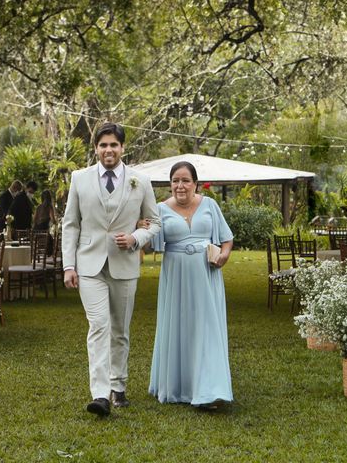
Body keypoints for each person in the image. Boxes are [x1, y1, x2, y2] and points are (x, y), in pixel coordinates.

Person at [61, 122, 161, 416]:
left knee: (120, 329)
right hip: (89, 264)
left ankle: (119, 385)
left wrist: (135, 238)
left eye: (113, 145)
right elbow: (71, 224)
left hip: (125, 263)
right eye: (103, 145)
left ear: (122, 148)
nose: (108, 150)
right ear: (95, 148)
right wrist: (69, 265)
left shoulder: (140, 181)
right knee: (99, 326)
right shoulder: (79, 179)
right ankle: (100, 394)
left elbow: (154, 222)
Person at [148, 161, 234, 409]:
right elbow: (145, 245)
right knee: (178, 327)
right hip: (175, 278)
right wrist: (140, 228)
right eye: (175, 180)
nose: (180, 185)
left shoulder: (210, 205)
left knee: (206, 329)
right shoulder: (160, 210)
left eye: (185, 180)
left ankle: (210, 390)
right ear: (170, 184)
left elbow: (227, 239)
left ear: (196, 183)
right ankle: (179, 386)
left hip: (206, 276)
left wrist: (224, 256)